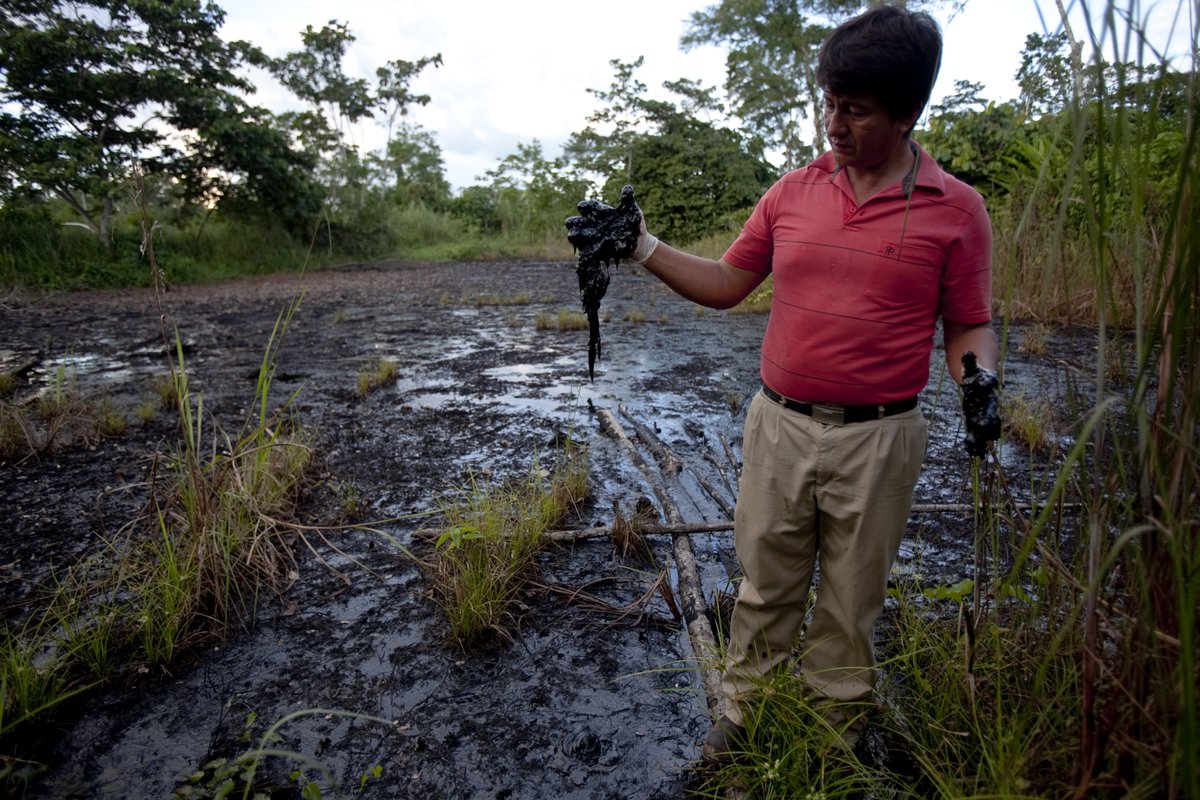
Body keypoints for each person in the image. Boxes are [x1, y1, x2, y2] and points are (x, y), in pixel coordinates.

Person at [624, 4, 1001, 762]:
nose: (834, 122)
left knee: (852, 599)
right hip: (781, 424)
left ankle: (831, 734)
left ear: (907, 114)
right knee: (764, 582)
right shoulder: (793, 191)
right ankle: (742, 713)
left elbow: (969, 322)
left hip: (881, 437)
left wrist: (979, 382)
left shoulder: (957, 210)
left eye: (854, 110)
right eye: (829, 102)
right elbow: (730, 280)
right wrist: (641, 246)